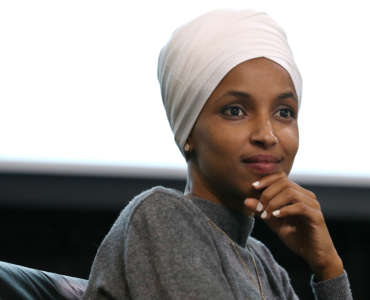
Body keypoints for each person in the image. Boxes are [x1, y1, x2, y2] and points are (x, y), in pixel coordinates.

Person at [83, 9, 352, 300]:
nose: (267, 134)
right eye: (235, 111)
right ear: (187, 131)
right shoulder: (161, 216)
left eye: (283, 112)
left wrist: (328, 266)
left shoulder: (264, 264)